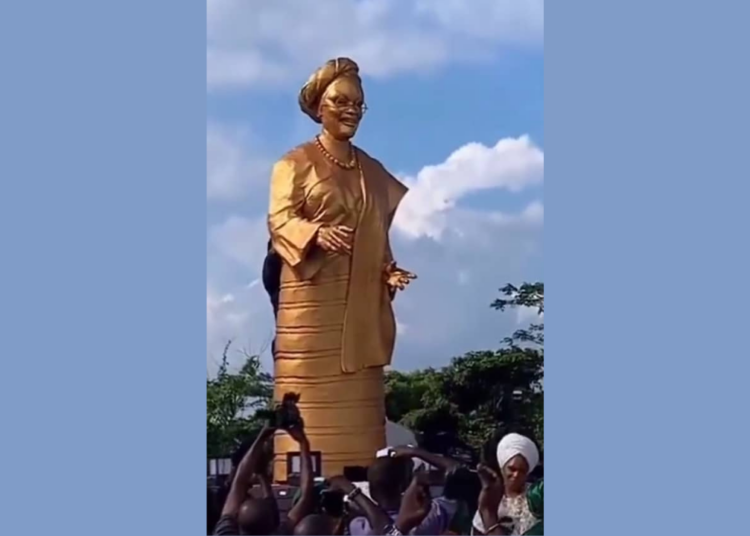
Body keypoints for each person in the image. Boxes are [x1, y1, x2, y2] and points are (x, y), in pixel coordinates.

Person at [267, 57, 416, 481]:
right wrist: (313, 233)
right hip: (310, 310)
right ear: (319, 107)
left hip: (360, 310)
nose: (351, 110)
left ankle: (366, 480)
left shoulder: (371, 170)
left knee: (361, 413)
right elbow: (279, 220)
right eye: (341, 101)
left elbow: (377, 238)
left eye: (359, 104)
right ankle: (299, 481)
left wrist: (388, 272)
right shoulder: (293, 164)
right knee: (306, 415)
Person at [214, 422, 315, 535]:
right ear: (273, 522)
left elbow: (239, 484)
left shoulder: (224, 532)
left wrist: (261, 437)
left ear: (237, 518)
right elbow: (305, 496)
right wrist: (303, 442)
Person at [471, 433, 543, 535]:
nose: (516, 475)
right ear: (502, 468)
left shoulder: (536, 497)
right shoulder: (491, 497)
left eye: (522, 471)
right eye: (512, 469)